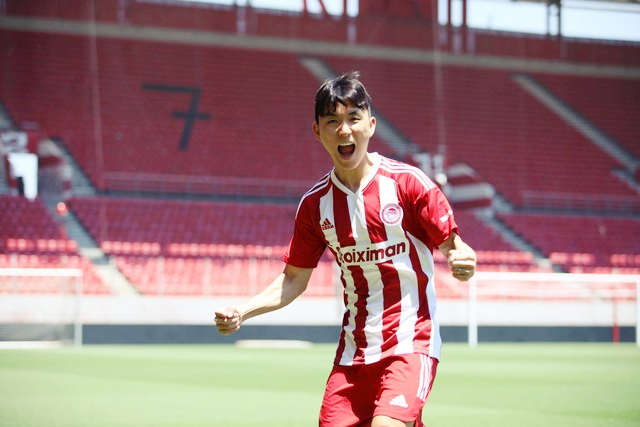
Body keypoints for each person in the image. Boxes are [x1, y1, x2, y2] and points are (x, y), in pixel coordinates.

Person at [215, 71, 477, 427]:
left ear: (370, 124)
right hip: (353, 356)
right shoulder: (315, 205)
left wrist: (463, 259)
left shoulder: (408, 184)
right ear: (317, 131)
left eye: (354, 118)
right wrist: (242, 311)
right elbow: (292, 280)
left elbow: (456, 248)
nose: (344, 130)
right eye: (332, 121)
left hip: (410, 343)